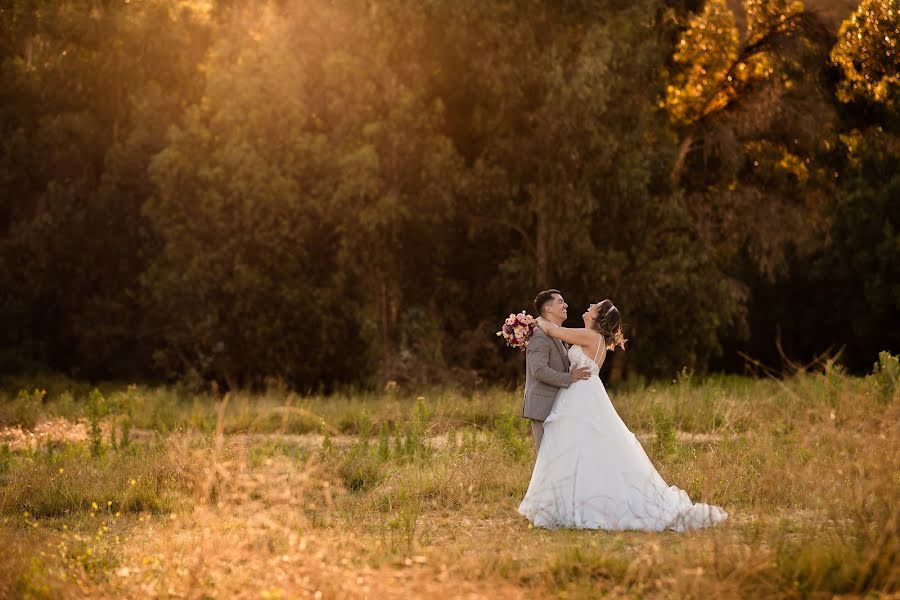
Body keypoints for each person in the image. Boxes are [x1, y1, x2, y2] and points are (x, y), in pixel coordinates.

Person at [518, 300, 728, 531]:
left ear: (598, 317)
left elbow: (554, 331)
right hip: (584, 394)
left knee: (573, 447)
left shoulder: (589, 336)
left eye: (594, 307)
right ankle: (569, 502)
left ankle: (572, 504)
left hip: (581, 397)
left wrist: (531, 321)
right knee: (582, 450)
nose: (589, 306)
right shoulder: (594, 338)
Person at [523, 289, 592, 452]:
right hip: (543, 406)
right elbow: (539, 370)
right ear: (548, 308)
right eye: (560, 301)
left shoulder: (556, 334)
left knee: (558, 457)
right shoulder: (539, 335)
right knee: (547, 459)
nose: (566, 305)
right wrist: (569, 377)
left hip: (557, 405)